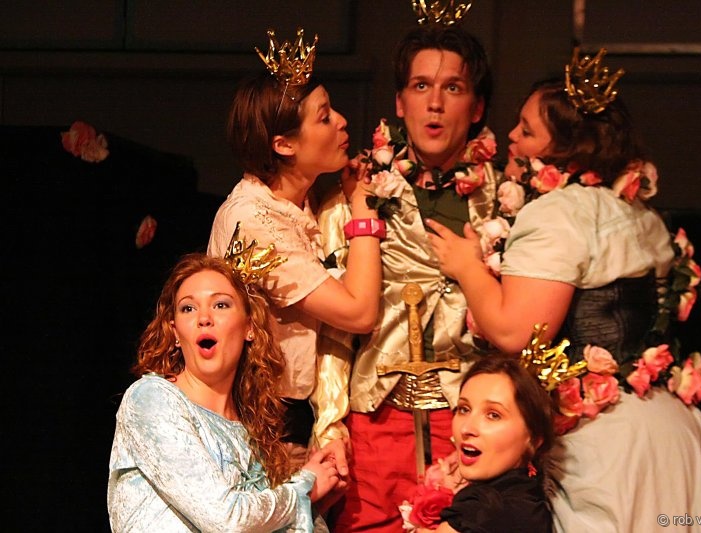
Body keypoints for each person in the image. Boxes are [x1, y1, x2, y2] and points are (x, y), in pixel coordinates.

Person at [427, 49, 701, 532]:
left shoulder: (559, 212)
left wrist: (468, 268)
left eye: (527, 130)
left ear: (565, 151)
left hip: (611, 441)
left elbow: (518, 333)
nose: (511, 137)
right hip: (671, 426)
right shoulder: (638, 211)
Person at [313, 8, 499, 532]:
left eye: (452, 88)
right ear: (400, 102)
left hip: (472, 424)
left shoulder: (507, 198)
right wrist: (330, 425)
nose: (434, 103)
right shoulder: (357, 193)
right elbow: (332, 327)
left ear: (477, 106)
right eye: (421, 86)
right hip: (374, 419)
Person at [206, 29, 382, 476]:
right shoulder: (254, 219)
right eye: (324, 117)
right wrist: (364, 212)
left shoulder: (303, 205)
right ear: (284, 145)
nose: (341, 121)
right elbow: (359, 311)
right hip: (262, 429)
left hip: (297, 418)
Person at [107, 253, 342, 532]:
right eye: (188, 308)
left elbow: (261, 518)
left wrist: (314, 508)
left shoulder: (254, 439)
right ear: (175, 332)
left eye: (220, 305)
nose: (204, 318)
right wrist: (304, 488)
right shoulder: (152, 399)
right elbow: (226, 519)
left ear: (249, 328)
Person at [407, 356, 554, 533]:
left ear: (534, 438)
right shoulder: (531, 503)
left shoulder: (484, 509)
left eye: (493, 415)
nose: (466, 428)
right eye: (464, 409)